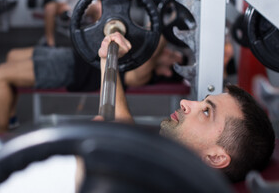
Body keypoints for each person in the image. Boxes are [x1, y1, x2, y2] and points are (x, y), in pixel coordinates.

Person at [97, 32, 275, 182]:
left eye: (206, 112)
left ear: (216, 157)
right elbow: (121, 129)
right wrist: (107, 59)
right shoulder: (165, 171)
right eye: (203, 104)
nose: (185, 103)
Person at [0, 35, 183, 133]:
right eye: (171, 51)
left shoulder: (143, 75)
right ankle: (10, 117)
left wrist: (165, 33)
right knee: (11, 55)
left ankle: (1, 137)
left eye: (172, 56)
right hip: (72, 55)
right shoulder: (144, 59)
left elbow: (158, 43)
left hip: (70, 70)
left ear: (167, 71)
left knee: (0, 75)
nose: (168, 52)